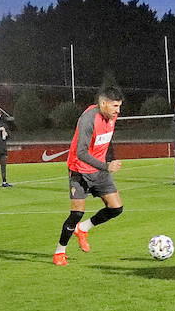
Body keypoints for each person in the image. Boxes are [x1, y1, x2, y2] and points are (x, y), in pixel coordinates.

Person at [53, 86, 124, 265]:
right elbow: (81, 153)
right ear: (103, 103)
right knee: (76, 213)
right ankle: (60, 251)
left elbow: (105, 142)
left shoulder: (112, 117)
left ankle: (83, 229)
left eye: (119, 106)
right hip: (80, 169)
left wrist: (106, 163)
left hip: (99, 170)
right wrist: (106, 166)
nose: (118, 110)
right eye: (115, 106)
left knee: (116, 208)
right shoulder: (88, 120)